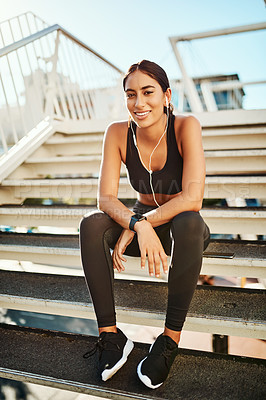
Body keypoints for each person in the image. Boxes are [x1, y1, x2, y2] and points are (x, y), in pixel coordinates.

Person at [80, 60, 211, 389]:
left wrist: (143, 222)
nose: (139, 103)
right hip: (142, 221)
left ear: (167, 95)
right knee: (92, 225)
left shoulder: (186, 126)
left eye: (148, 92)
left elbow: (192, 198)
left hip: (181, 227)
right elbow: (106, 199)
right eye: (130, 94)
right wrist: (137, 224)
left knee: (191, 223)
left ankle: (168, 341)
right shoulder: (117, 133)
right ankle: (110, 337)